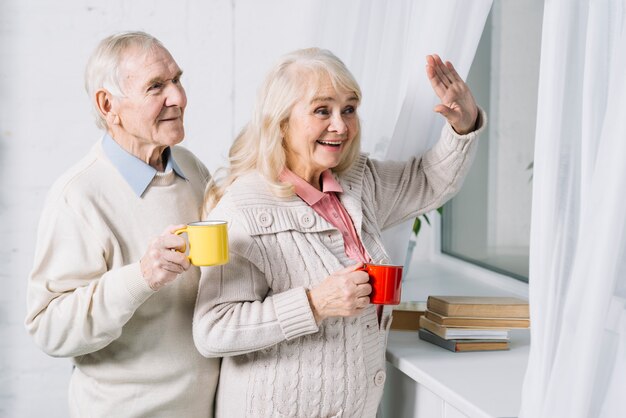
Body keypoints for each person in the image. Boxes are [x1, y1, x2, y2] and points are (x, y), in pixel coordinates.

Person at [192, 47, 485, 417]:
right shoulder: (243, 209)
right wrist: (314, 304)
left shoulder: (358, 180)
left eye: (349, 109)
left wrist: (464, 123)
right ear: (281, 121)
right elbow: (214, 329)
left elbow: (427, 182)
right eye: (322, 110)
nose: (341, 125)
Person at [25, 31, 219, 417]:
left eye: (177, 80)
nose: (178, 97)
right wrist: (142, 277)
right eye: (156, 87)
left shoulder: (192, 168)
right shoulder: (78, 195)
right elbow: (48, 328)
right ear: (107, 104)